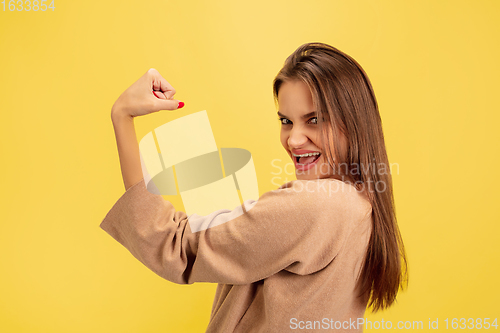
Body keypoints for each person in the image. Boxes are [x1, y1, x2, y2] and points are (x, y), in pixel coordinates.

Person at [100, 42, 408, 332]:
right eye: (286, 122)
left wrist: (122, 115)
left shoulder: (313, 205)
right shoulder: (363, 201)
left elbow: (174, 245)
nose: (294, 139)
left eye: (314, 120)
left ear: (353, 121)